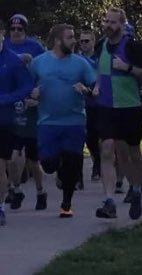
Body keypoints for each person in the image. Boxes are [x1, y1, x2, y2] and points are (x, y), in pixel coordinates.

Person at [92, 7, 142, 220]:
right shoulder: (100, 45)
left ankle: (137, 188)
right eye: (106, 21)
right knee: (107, 150)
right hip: (106, 107)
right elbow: (101, 71)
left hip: (129, 107)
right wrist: (97, 85)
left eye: (113, 22)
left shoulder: (132, 47)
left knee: (132, 152)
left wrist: (128, 68)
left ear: (121, 25)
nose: (108, 25)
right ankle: (109, 201)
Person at [30, 24, 97, 218]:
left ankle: (66, 204)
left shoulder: (81, 63)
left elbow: (95, 87)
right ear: (58, 40)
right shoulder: (39, 62)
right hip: (47, 122)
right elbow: (26, 84)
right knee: (49, 164)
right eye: (70, 37)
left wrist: (85, 90)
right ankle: (58, 168)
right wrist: (31, 93)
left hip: (74, 121)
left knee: (72, 164)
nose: (74, 41)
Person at [0, 19, 36, 225]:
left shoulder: (12, 60)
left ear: (2, 34)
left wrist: (5, 99)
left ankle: (1, 207)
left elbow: (26, 87)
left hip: (4, 120)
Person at [78, 30, 102, 182]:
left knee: (95, 136)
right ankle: (78, 175)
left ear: (93, 42)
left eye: (87, 41)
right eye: (82, 41)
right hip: (81, 103)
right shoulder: (77, 59)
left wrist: (94, 88)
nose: (84, 44)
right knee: (85, 138)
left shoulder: (99, 59)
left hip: (97, 102)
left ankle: (98, 163)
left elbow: (102, 77)